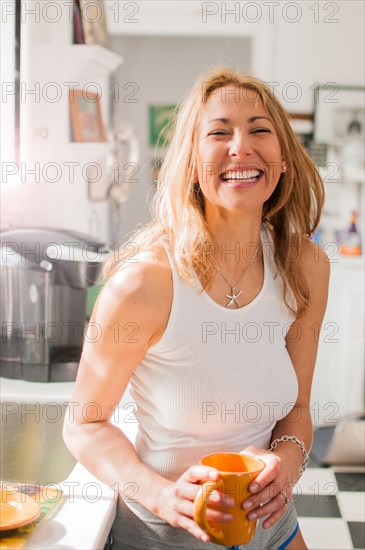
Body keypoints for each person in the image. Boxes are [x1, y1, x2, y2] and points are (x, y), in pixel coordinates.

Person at [63, 67, 330, 549]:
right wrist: (165, 497)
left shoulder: (305, 266)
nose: (240, 147)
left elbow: (298, 410)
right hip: (164, 534)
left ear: (284, 158)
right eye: (219, 132)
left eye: (260, 129)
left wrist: (286, 466)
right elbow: (83, 423)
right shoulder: (144, 282)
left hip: (272, 527)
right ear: (191, 162)